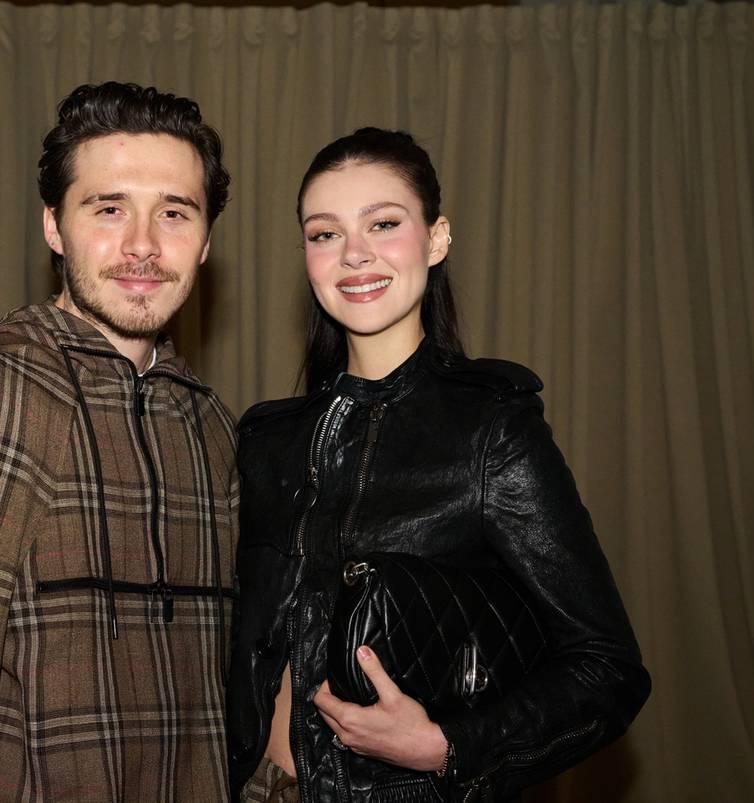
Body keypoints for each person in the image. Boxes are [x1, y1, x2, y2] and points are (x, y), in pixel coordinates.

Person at [227, 128, 650, 802]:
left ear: (436, 238)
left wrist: (450, 746)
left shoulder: (491, 427)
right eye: (325, 233)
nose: (354, 253)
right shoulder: (263, 439)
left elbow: (608, 669)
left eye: (383, 223)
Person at [0, 82, 238, 802]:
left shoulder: (211, 429)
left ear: (206, 241)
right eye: (109, 208)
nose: (143, 244)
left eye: (174, 213)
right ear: (54, 227)